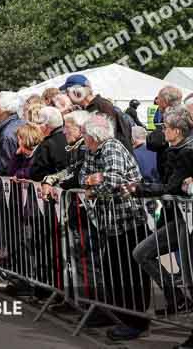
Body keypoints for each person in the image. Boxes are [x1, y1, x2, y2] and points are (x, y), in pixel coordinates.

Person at [79, 114, 150, 342]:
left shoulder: (112, 148)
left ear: (93, 135)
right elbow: (82, 176)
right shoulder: (92, 151)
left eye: (84, 134)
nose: (82, 137)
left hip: (128, 220)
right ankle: (117, 313)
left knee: (129, 272)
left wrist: (93, 191)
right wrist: (91, 181)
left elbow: (113, 181)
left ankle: (136, 321)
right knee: (112, 271)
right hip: (110, 222)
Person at [128, 106, 193, 316]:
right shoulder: (173, 149)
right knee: (142, 253)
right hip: (178, 217)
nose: (162, 131)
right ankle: (177, 298)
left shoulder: (186, 152)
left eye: (165, 127)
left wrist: (139, 189)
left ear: (177, 131)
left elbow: (170, 187)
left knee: (189, 274)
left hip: (186, 218)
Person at [60, 73, 133, 154]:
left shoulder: (101, 106)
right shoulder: (91, 107)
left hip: (114, 157)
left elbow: (108, 138)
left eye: (68, 92)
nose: (67, 96)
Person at [148, 85, 184, 181]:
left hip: (173, 169)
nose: (157, 101)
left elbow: (154, 142)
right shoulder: (183, 114)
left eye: (158, 98)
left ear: (165, 101)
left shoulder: (172, 117)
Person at [30, 107, 69, 182]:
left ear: (46, 126)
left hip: (49, 185)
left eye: (39, 123)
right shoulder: (67, 137)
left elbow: (37, 173)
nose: (37, 127)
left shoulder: (47, 144)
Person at [0, 91, 26, 175]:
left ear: (5, 109)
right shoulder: (23, 123)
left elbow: (6, 166)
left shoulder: (7, 134)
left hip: (11, 180)